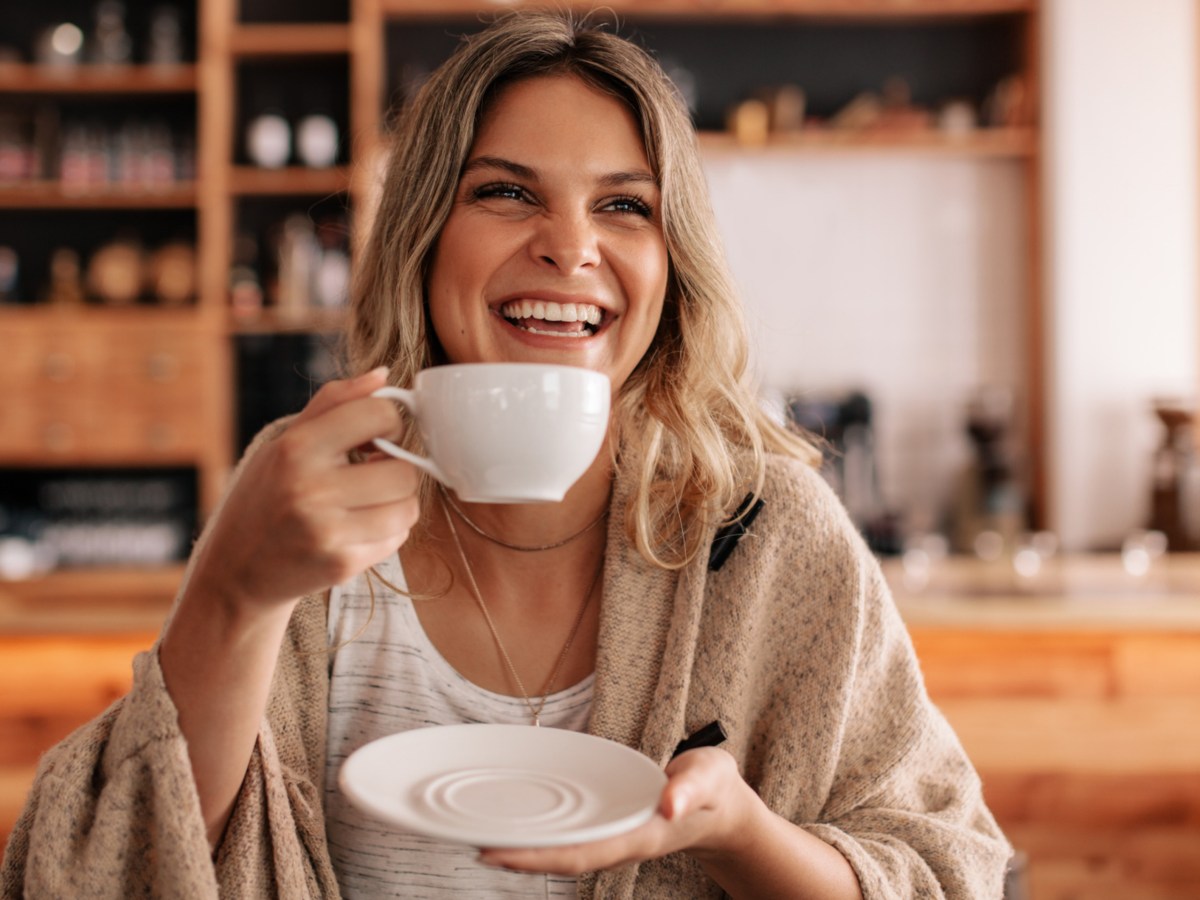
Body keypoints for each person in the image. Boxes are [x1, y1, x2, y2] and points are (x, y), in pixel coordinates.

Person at [1, 10, 1011, 899]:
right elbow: (97, 874)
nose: (570, 246)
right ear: (424, 234)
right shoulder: (312, 532)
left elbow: (947, 868)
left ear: (672, 268)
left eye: (624, 205)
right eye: (506, 193)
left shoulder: (766, 536)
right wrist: (230, 592)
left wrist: (737, 832)